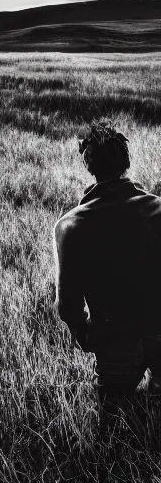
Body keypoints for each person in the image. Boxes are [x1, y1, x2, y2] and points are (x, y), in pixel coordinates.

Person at [54, 122, 161, 405]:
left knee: (114, 428)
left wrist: (85, 335)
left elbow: (68, 305)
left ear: (88, 164)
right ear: (126, 161)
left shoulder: (71, 225)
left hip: (114, 341)